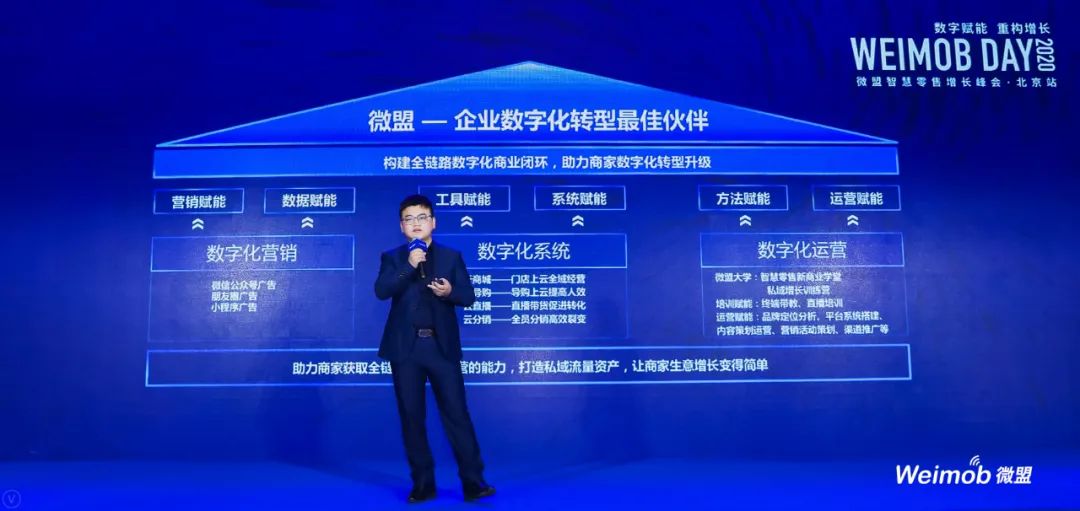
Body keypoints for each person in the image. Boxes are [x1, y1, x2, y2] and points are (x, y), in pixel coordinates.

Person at [373, 194, 496, 503]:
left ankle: (474, 482)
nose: (416, 223)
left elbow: (469, 296)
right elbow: (382, 290)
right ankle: (423, 484)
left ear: (433, 222)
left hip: (441, 348)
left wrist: (451, 291)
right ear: (402, 226)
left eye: (422, 217)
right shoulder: (393, 258)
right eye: (409, 219)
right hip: (406, 350)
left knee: (457, 415)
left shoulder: (451, 257)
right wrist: (409, 266)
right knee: (412, 418)